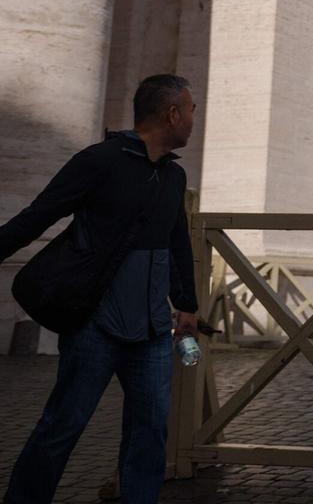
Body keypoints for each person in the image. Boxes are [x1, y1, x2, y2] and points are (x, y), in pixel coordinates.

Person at [0, 74, 200, 504]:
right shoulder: (99, 161)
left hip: (152, 331)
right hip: (94, 325)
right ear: (171, 114)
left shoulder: (173, 177)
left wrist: (187, 305)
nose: (192, 120)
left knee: (149, 435)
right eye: (190, 110)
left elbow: (178, 242)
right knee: (62, 427)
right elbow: (39, 214)